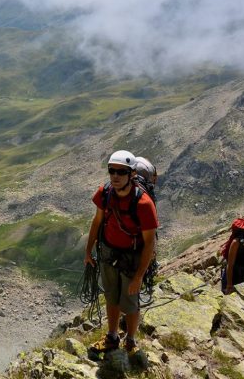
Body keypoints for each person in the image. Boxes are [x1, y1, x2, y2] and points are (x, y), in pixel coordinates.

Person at [84, 150, 159, 354]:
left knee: (131, 303)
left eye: (121, 172)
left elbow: (149, 244)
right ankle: (112, 336)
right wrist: (88, 250)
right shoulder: (105, 193)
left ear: (132, 174)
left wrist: (139, 276)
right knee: (111, 297)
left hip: (131, 258)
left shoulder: (144, 204)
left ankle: (131, 340)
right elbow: (97, 221)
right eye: (112, 171)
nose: (115, 176)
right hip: (108, 252)